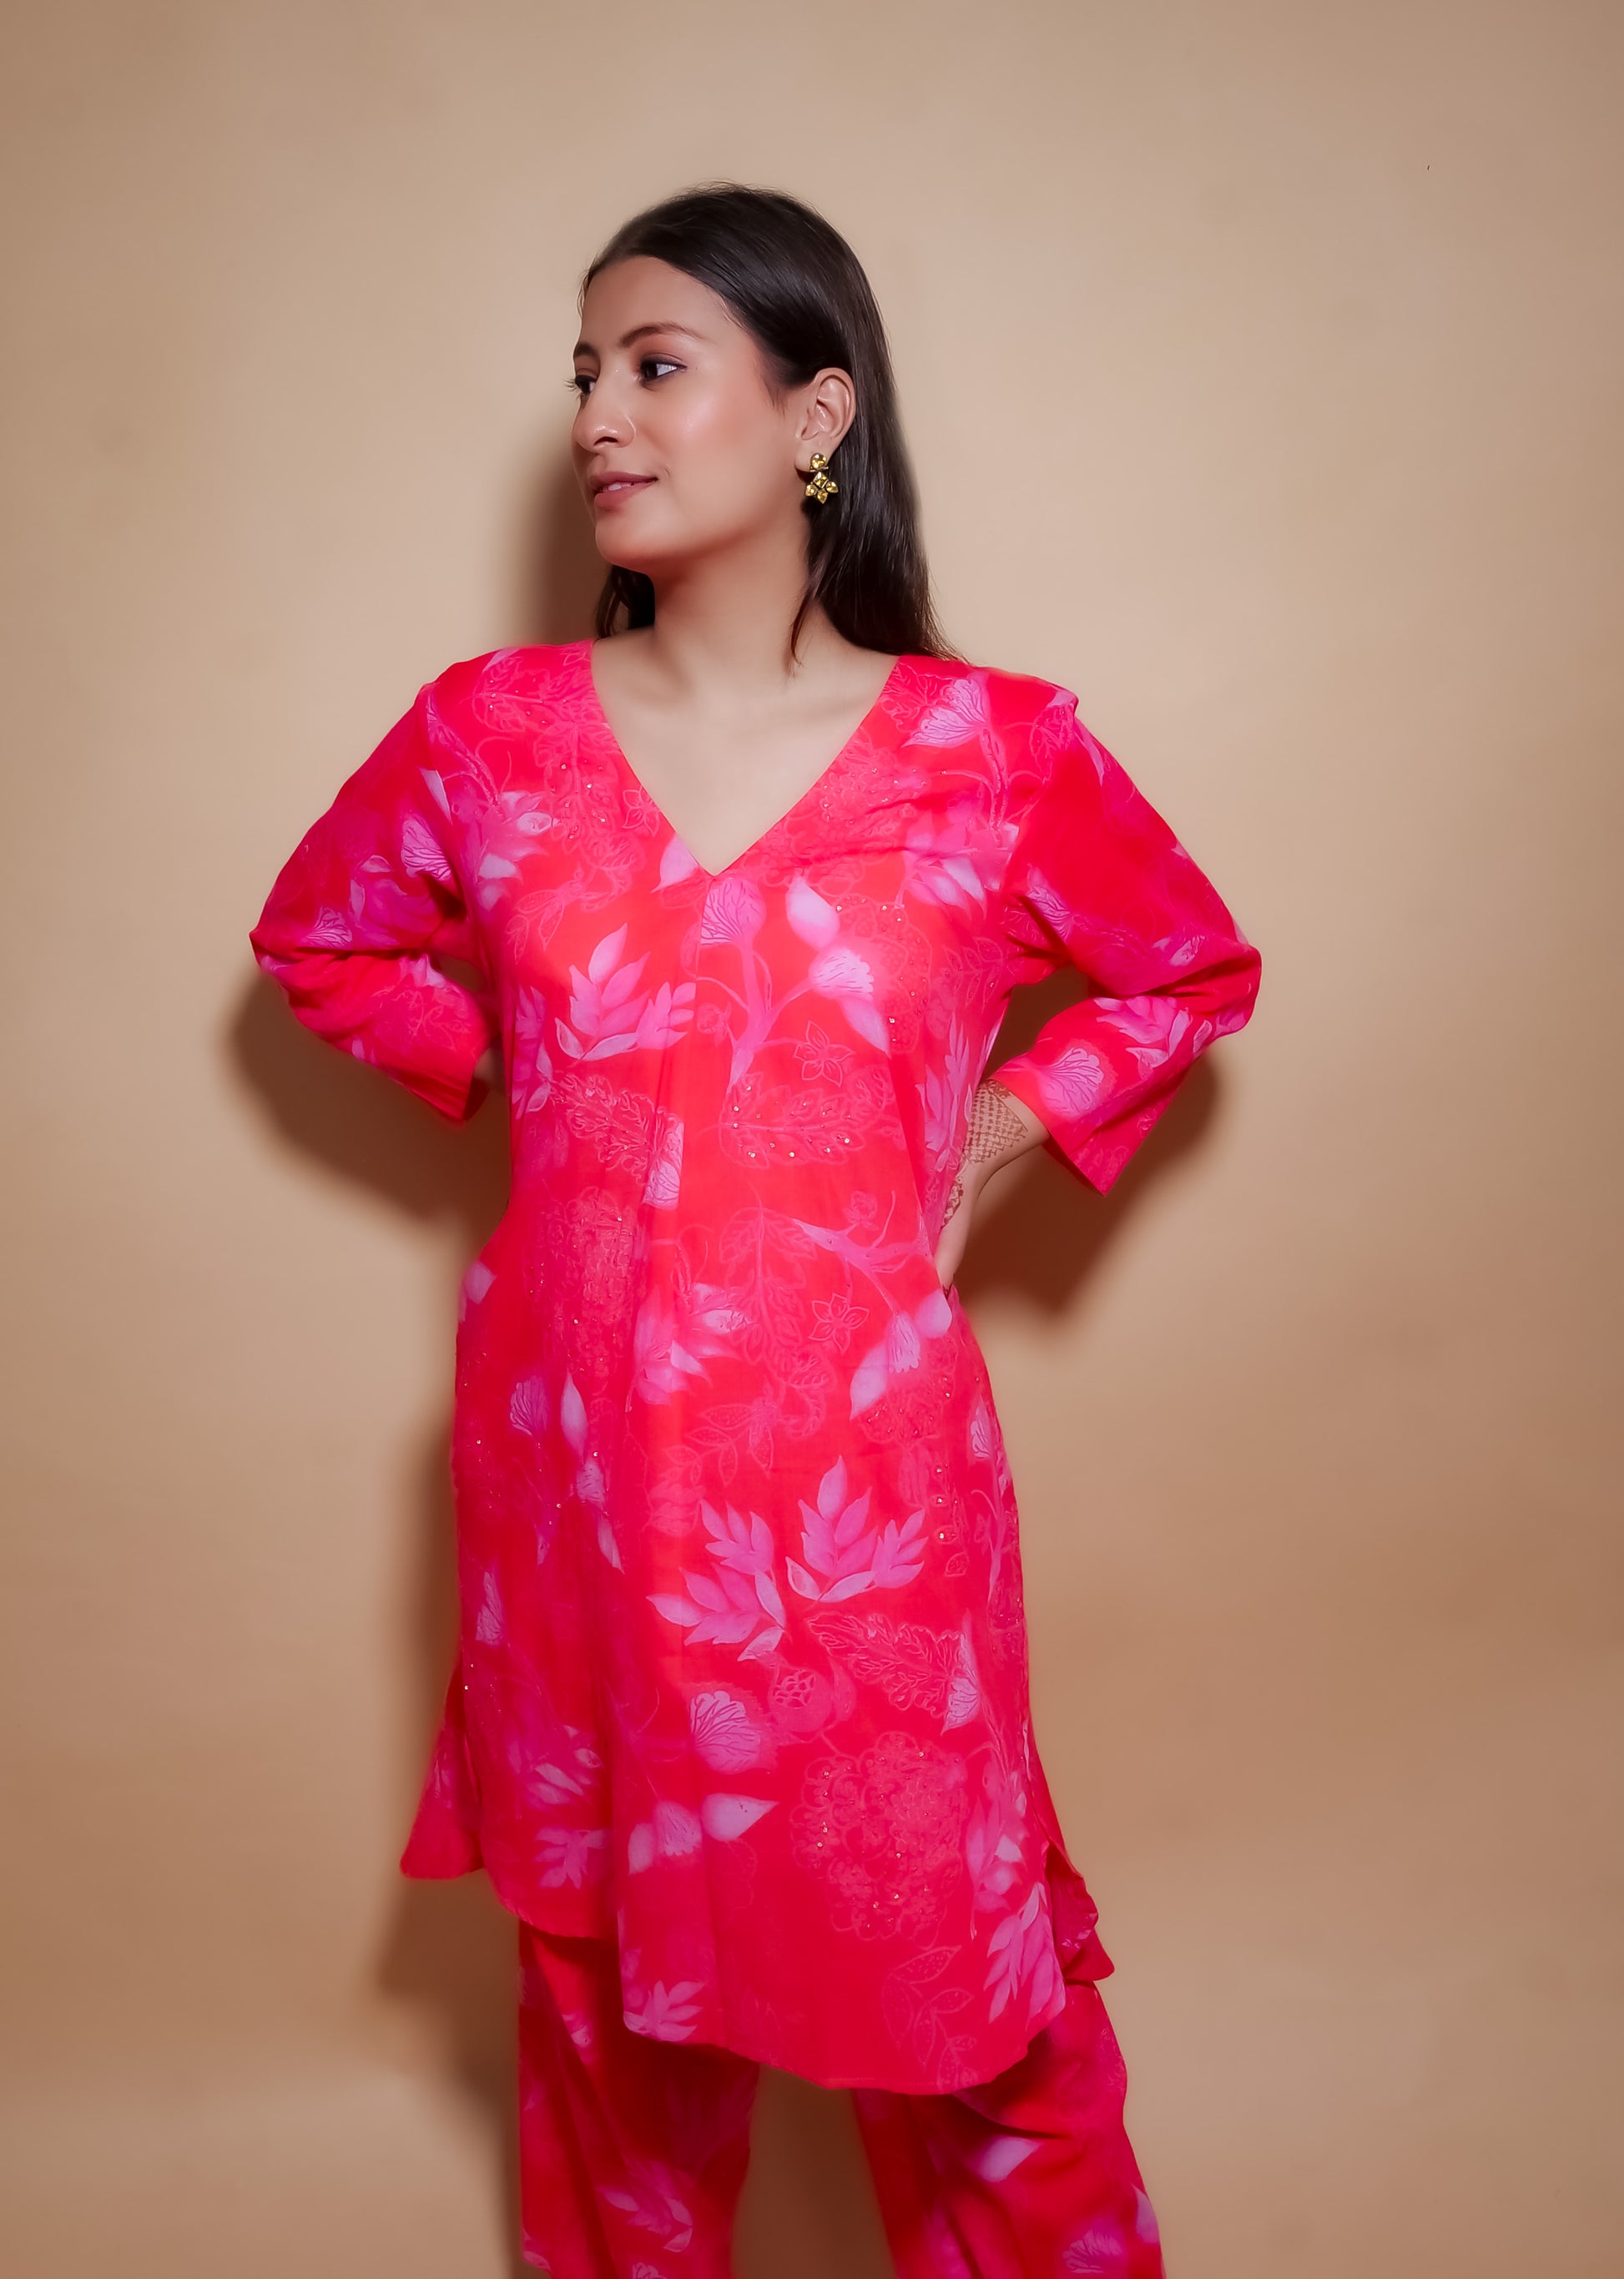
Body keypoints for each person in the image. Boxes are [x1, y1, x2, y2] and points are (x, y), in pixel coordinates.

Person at [250, 182, 1261, 2279]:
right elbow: (318, 942)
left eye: (653, 367)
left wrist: (998, 1132)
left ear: (815, 416)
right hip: (578, 1481)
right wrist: (554, 1074)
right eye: (583, 377)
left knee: (975, 2019)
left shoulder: (994, 754)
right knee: (605, 2020)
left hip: (860, 1508)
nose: (596, 421)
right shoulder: (490, 735)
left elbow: (1187, 969)